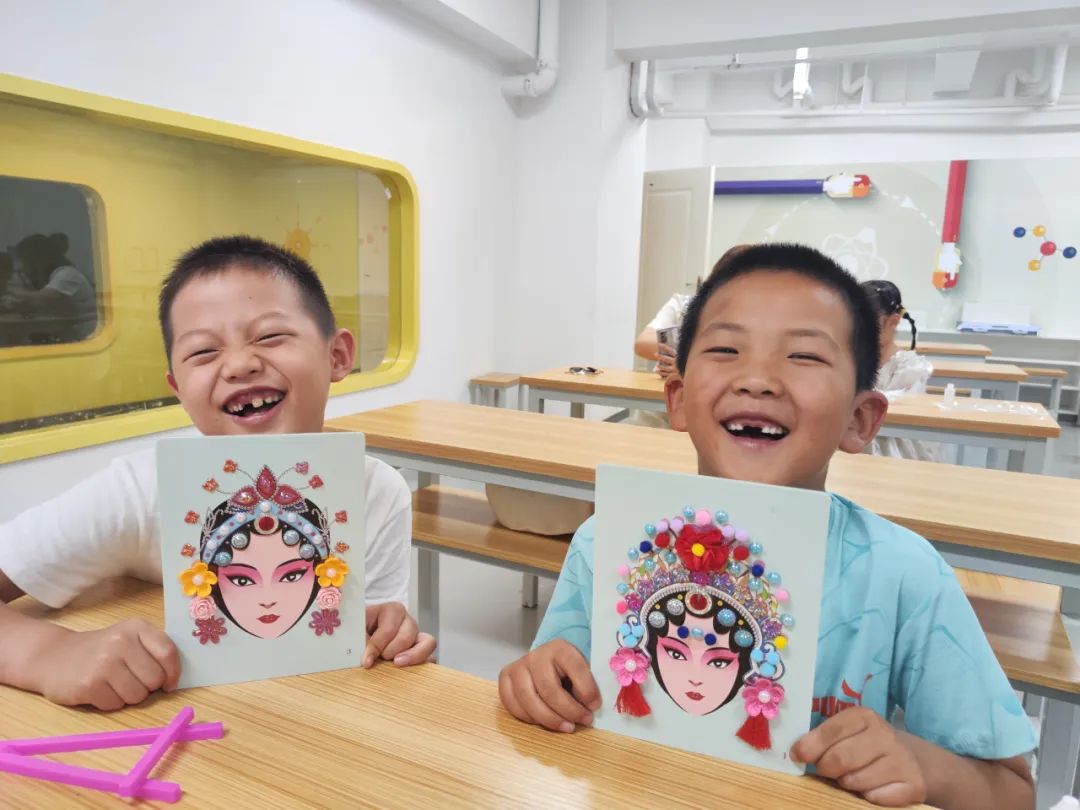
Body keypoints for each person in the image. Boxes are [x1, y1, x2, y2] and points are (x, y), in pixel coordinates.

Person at [499, 243, 1034, 809]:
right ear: (677, 398)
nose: (757, 380)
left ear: (860, 419)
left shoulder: (903, 574)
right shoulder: (607, 543)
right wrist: (534, 682)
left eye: (804, 356)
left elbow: (1013, 793)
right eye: (725, 349)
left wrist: (923, 765)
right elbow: (553, 683)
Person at [0, 235, 435, 711]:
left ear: (337, 356)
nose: (240, 364)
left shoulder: (376, 491)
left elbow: (362, 642)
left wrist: (387, 632)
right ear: (178, 387)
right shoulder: (140, 490)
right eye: (203, 352)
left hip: (305, 720)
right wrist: (47, 653)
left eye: (269, 336)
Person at [862, 280, 938, 462]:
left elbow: (901, 411)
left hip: (893, 451)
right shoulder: (850, 361)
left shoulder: (910, 367)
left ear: (893, 322)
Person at [7, 233, 98, 342]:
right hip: (71, 336)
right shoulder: (55, 276)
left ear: (37, 260)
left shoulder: (67, 275)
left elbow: (41, 298)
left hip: (85, 338)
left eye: (25, 260)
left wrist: (8, 291)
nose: (23, 266)